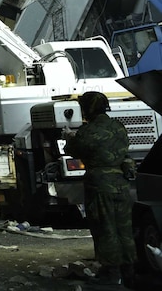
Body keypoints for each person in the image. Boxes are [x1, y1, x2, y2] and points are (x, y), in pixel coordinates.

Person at [64, 91, 137, 287]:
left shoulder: (89, 131)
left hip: (99, 185)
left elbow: (73, 150)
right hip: (121, 184)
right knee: (124, 229)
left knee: (105, 229)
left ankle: (111, 273)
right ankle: (129, 272)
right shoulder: (119, 127)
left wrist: (69, 137)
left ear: (88, 109)